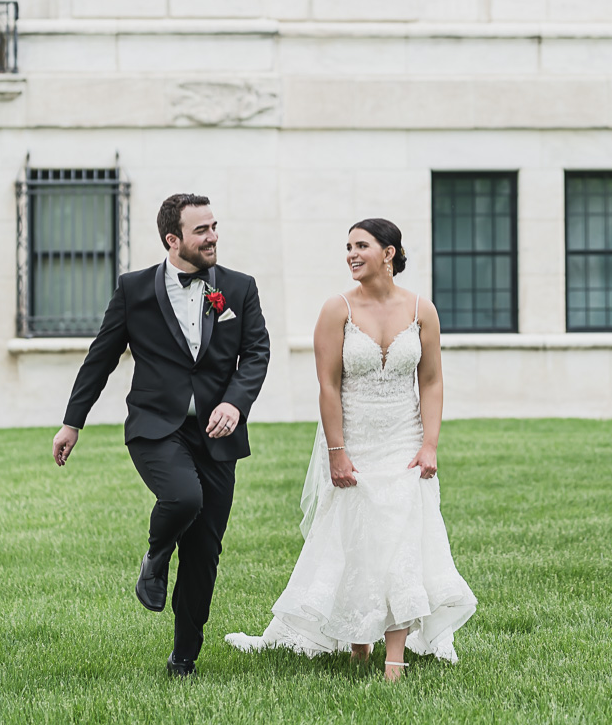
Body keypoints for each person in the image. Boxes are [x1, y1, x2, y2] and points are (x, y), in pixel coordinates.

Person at [225, 218, 475, 681]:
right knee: (358, 540)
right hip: (354, 436)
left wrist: (430, 444)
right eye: (348, 247)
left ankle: (394, 658)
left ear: (390, 253)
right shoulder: (335, 310)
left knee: (399, 538)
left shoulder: (423, 309)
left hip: (403, 436)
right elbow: (328, 385)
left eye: (362, 246)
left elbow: (433, 380)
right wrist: (337, 450)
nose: (352, 255)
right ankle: (359, 644)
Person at [52, 194, 270, 678]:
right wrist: (73, 421)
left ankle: (184, 659)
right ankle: (155, 555)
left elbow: (256, 352)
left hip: (218, 434)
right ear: (173, 240)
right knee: (182, 497)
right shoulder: (134, 290)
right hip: (155, 427)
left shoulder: (239, 287)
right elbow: (101, 357)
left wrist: (235, 403)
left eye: (214, 226)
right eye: (201, 231)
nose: (212, 236)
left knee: (205, 550)